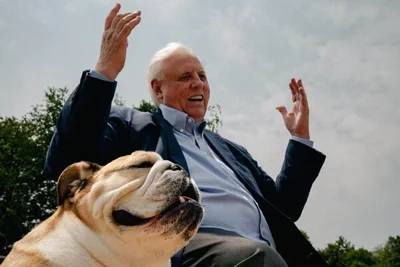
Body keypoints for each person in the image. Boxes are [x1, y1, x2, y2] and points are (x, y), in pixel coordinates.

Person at [44, 4, 329, 267]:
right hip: (183, 247)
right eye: (185, 77)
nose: (198, 84)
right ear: (158, 90)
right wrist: (105, 69)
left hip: (267, 253)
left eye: (202, 76)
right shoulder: (131, 125)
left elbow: (285, 209)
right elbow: (68, 158)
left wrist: (300, 140)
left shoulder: (231, 151)